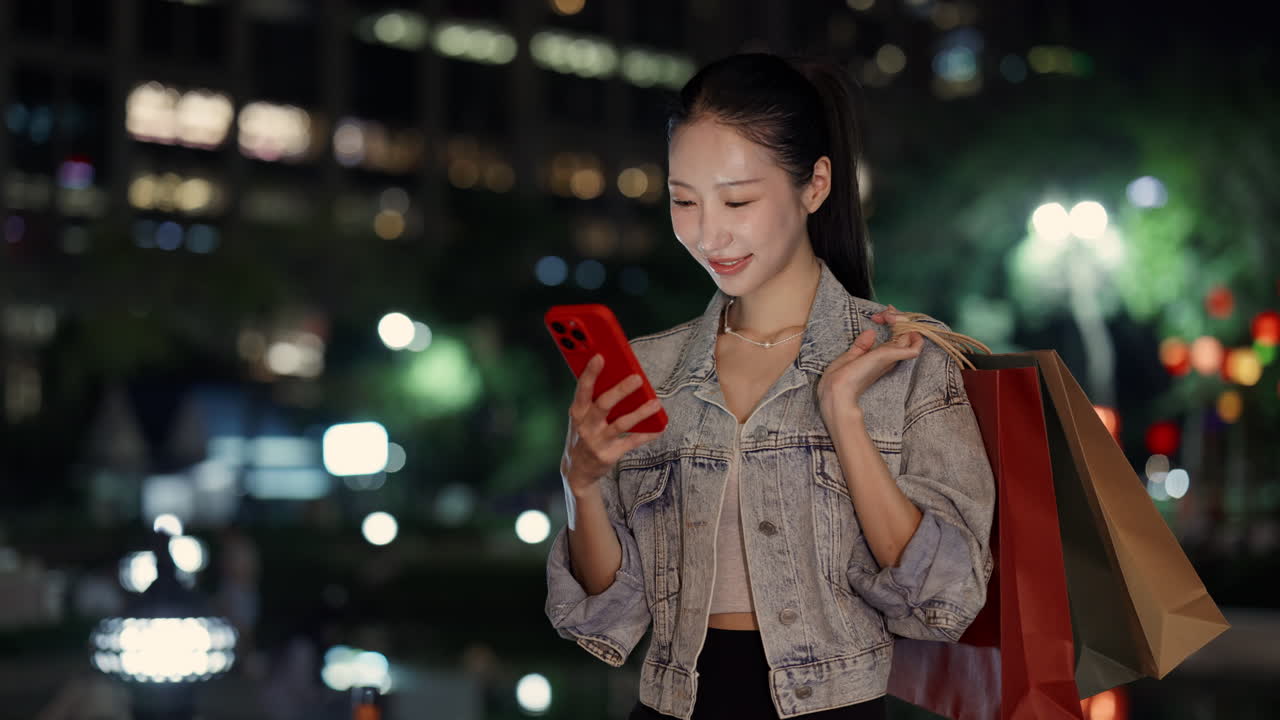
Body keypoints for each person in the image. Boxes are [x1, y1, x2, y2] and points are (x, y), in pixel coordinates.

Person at [544, 53, 995, 720]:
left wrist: (842, 412)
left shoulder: (905, 360)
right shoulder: (649, 371)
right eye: (684, 201)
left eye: (738, 201)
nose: (708, 233)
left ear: (815, 186)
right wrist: (580, 486)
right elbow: (608, 613)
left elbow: (942, 599)